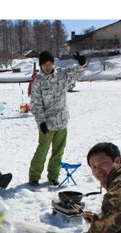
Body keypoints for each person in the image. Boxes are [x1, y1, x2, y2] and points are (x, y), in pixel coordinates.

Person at [28, 50, 87, 186]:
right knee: (42, 151)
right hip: (47, 124)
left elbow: (77, 74)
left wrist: (82, 64)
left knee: (58, 151)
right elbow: (35, 104)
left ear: (53, 63)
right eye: (44, 64)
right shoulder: (38, 82)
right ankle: (34, 176)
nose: (47, 66)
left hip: (62, 121)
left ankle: (53, 176)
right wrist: (41, 122)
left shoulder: (62, 74)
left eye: (50, 63)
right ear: (41, 65)